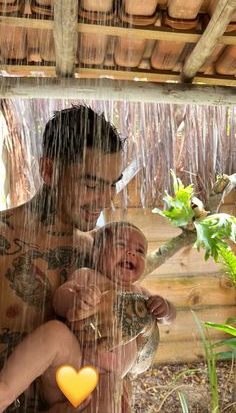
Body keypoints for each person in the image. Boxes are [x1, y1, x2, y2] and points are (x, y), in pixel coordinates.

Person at [0, 105, 123, 412]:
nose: (107, 200)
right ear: (49, 171)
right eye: (93, 185)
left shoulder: (100, 253)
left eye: (112, 185)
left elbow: (143, 350)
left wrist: (122, 333)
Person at [0, 221, 176, 412]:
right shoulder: (88, 276)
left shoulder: (141, 294)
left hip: (105, 382)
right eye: (121, 245)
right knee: (54, 332)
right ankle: (6, 391)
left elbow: (168, 318)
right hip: (71, 366)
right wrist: (76, 299)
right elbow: (59, 299)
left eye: (140, 251)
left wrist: (165, 308)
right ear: (96, 252)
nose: (132, 253)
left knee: (114, 389)